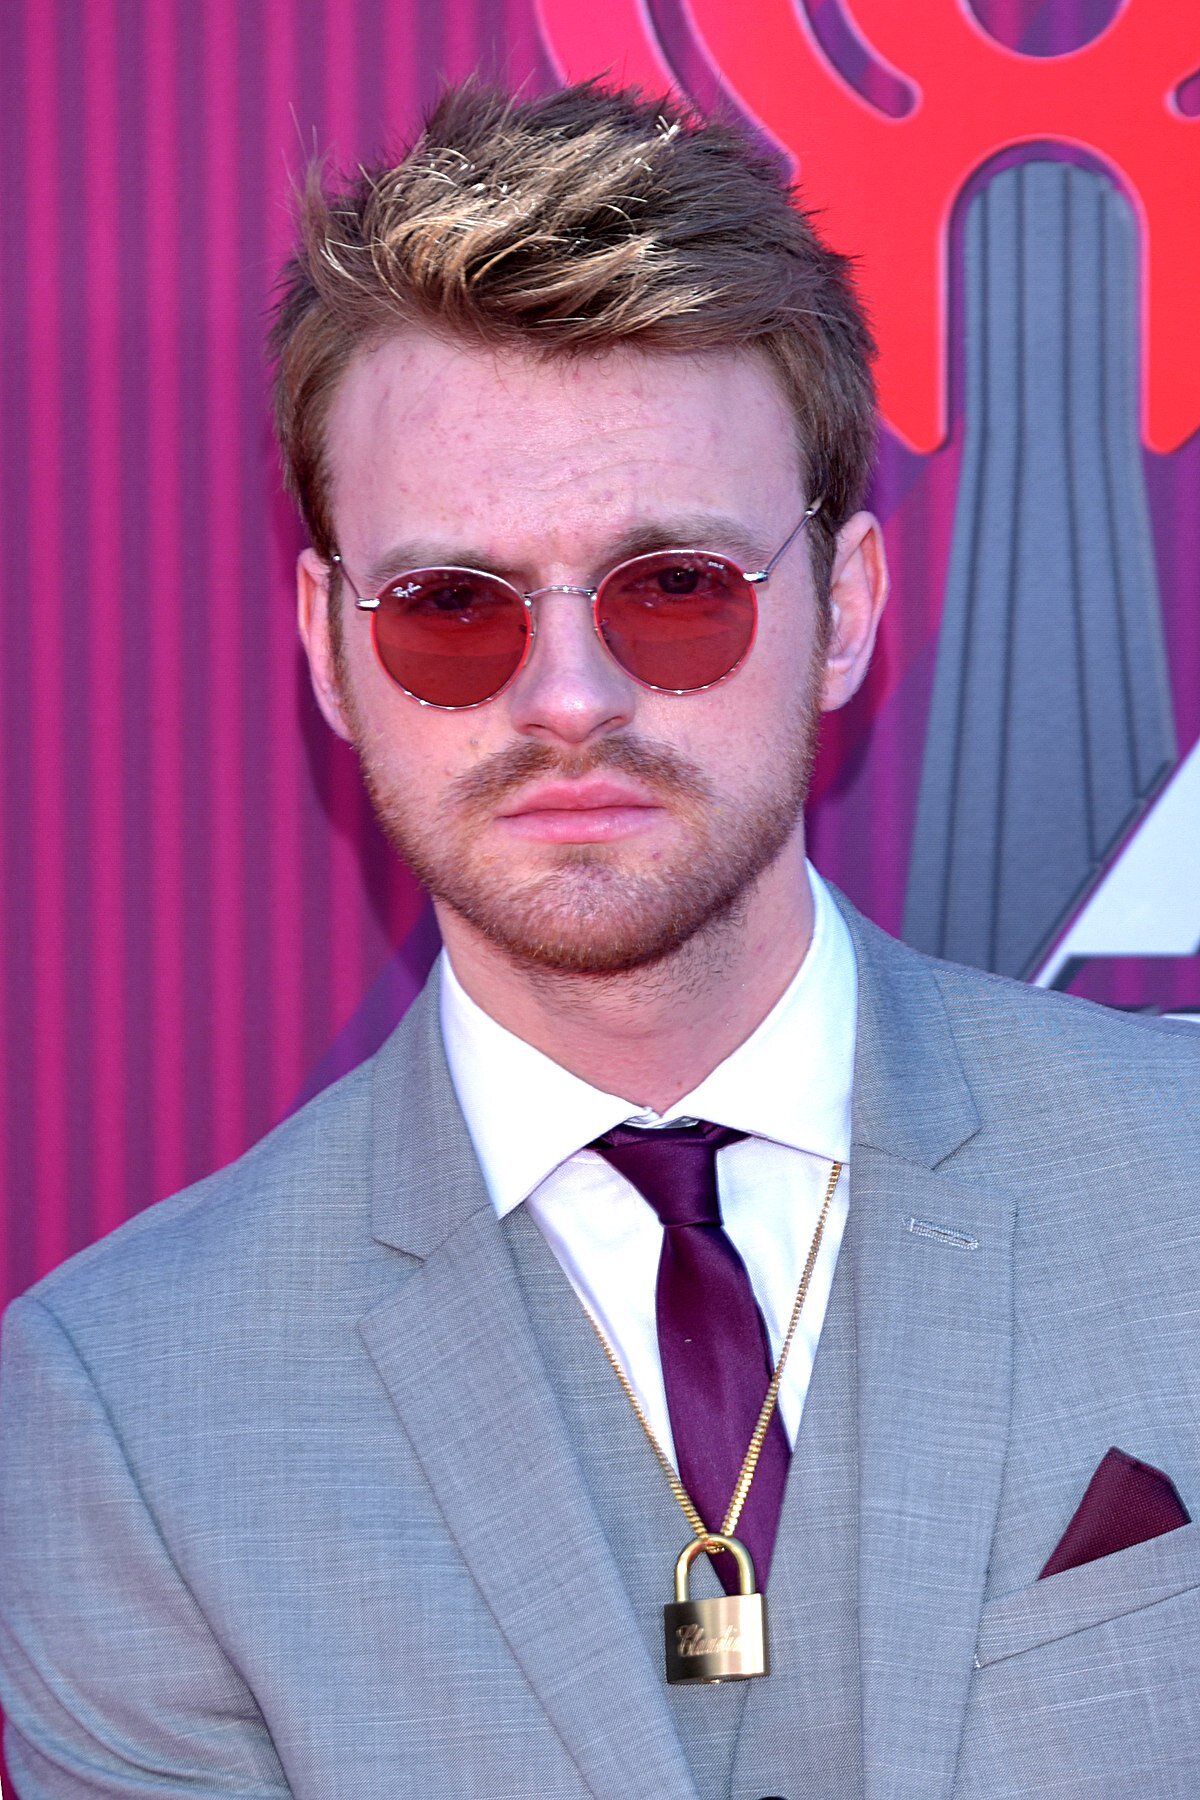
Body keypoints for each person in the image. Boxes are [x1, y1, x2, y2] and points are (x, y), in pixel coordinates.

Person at [2, 78, 1199, 1800]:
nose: (570, 698)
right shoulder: (128, 1412)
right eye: (450, 609)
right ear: (328, 648)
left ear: (846, 608)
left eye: (676, 589)